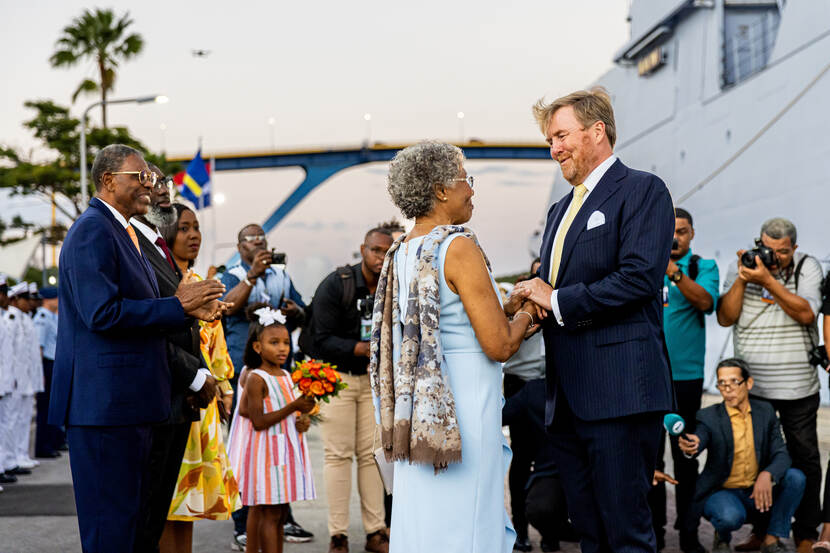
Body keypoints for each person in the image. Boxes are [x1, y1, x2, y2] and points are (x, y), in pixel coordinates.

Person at [513, 88, 675, 553]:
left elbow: (640, 278)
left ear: (597, 131)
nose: (554, 149)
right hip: (565, 401)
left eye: (561, 135)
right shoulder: (559, 210)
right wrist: (530, 304)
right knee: (589, 532)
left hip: (619, 394)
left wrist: (557, 298)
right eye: (550, 140)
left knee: (627, 532)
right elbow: (551, 291)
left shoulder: (642, 190)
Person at [48, 144, 228, 553]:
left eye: (149, 177)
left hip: (130, 406)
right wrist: (179, 305)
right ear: (109, 181)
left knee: (134, 531)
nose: (149, 185)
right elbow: (102, 314)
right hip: (106, 409)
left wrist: (190, 310)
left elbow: (146, 308)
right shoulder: (94, 229)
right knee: (112, 532)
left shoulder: (125, 231)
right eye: (139, 177)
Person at [370, 141, 540, 553]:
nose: (472, 191)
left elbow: (439, 322)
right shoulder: (457, 246)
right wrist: (529, 314)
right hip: (461, 405)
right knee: (468, 514)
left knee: (428, 515)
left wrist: (502, 309)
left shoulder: (400, 251)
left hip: (419, 411)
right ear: (441, 190)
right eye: (467, 180)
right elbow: (499, 345)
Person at [717, 217, 823, 553]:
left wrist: (768, 280)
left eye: (783, 252)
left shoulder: (807, 267)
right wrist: (743, 279)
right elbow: (725, 317)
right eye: (769, 249)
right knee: (760, 462)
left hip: (797, 388)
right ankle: (763, 533)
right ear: (757, 241)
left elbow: (807, 313)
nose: (775, 257)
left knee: (805, 459)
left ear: (795, 247)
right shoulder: (746, 266)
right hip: (756, 389)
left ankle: (806, 533)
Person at [131, 167, 219, 553]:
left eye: (165, 185)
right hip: (154, 396)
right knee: (146, 515)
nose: (163, 191)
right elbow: (143, 325)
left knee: (161, 510)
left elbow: (182, 320)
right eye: (151, 183)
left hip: (176, 400)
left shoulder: (157, 249)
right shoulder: (135, 249)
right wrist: (196, 376)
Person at [153, 203, 242, 552]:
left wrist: (223, 390)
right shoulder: (162, 283)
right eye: (185, 228)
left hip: (203, 407)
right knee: (164, 502)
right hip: (172, 402)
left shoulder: (201, 284)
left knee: (188, 506)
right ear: (167, 234)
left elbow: (218, 350)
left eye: (196, 228)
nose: (194, 235)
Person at [220, 223, 309, 550]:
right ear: (240, 246)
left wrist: (294, 311)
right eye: (251, 240)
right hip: (244, 369)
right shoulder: (230, 274)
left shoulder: (281, 275)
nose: (259, 244)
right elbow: (226, 308)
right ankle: (242, 523)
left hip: (280, 370)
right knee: (246, 452)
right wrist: (253, 276)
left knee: (281, 447)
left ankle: (283, 516)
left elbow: (301, 312)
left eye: (262, 239)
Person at [308, 226, 393, 553]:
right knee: (337, 456)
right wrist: (362, 348)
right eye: (375, 250)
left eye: (387, 252)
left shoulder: (393, 285)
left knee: (372, 458)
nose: (380, 258)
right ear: (363, 249)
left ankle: (375, 532)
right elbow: (319, 339)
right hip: (339, 380)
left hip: (373, 383)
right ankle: (338, 534)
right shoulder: (337, 284)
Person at [679, 358, 805, 553]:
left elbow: (781, 453)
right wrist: (692, 445)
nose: (727, 389)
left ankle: (771, 540)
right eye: (722, 383)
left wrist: (767, 474)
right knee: (729, 517)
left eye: (733, 382)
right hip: (723, 492)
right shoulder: (708, 416)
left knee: (796, 478)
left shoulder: (765, 412)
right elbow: (699, 437)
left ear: (748, 383)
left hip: (757, 491)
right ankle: (722, 536)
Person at [649, 207, 720, 553]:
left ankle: (689, 535)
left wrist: (673, 273)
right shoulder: (644, 265)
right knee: (650, 460)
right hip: (647, 377)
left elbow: (706, 303)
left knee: (686, 457)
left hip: (686, 380)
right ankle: (655, 535)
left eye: (682, 231)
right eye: (669, 231)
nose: (675, 238)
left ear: (692, 234)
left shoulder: (701, 267)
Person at [230, 304, 316, 553]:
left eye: (286, 343)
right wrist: (293, 407)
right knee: (268, 512)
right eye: (274, 343)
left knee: (278, 513)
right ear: (258, 347)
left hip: (283, 452)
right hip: (266, 455)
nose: (282, 349)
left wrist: (302, 418)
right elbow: (256, 420)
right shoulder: (257, 377)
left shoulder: (286, 376)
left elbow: (288, 412)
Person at [503, 261, 547, 553]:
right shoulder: (522, 307)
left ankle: (554, 527)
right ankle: (520, 530)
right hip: (520, 384)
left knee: (554, 456)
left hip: (551, 385)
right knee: (521, 458)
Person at [7, 282, 43, 473]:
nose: (30, 303)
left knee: (22, 419)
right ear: (16, 299)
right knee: (10, 421)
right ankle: (9, 460)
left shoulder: (25, 318)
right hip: (13, 380)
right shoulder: (10, 319)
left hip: (25, 378)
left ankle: (20, 455)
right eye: (26, 299)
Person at [33, 286, 63, 459]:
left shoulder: (52, 316)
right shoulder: (42, 318)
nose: (58, 301)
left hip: (52, 364)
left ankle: (51, 442)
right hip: (46, 365)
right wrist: (40, 373)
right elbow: (39, 347)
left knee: (52, 407)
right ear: (47, 299)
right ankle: (43, 446)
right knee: (45, 409)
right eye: (55, 298)